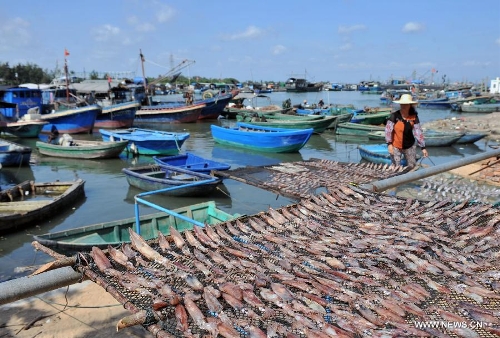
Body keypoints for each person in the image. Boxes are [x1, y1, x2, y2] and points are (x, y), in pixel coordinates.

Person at [385, 94, 428, 169]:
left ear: (410, 105)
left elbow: (418, 132)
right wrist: (389, 144)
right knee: (395, 168)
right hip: (396, 145)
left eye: (406, 104)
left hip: (409, 145)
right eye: (402, 104)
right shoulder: (394, 116)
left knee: (412, 167)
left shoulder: (414, 117)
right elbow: (388, 130)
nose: (403, 106)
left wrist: (423, 147)